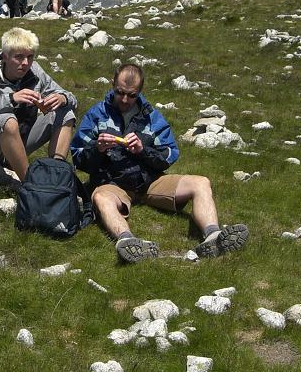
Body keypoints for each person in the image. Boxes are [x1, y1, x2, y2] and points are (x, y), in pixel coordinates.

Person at [70, 63, 248, 263]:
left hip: (149, 181)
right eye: (120, 93)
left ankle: (214, 237)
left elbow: (169, 154)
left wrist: (142, 150)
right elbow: (78, 156)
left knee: (201, 182)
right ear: (112, 85)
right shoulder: (97, 115)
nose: (125, 100)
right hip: (112, 184)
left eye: (132, 95)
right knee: (101, 198)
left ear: (140, 91)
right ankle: (127, 242)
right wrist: (98, 149)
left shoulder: (151, 117)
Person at [0, 27, 76, 184]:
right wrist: (10, 99)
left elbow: (69, 96)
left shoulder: (35, 72)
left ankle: (57, 171)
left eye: (30, 57)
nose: (25, 63)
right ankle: (29, 185)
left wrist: (62, 98)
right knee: (6, 120)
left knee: (65, 112)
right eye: (19, 57)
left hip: (19, 141)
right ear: (5, 56)